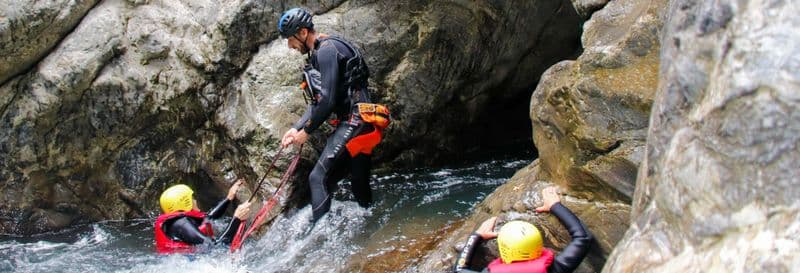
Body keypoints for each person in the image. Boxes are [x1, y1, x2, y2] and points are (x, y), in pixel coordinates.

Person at [277, 8, 386, 224]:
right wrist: (296, 128)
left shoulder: (326, 51)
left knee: (318, 178)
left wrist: (306, 132)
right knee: (358, 180)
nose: (290, 46)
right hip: (362, 121)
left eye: (290, 39)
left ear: (303, 32)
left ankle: (318, 238)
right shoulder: (327, 48)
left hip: (355, 121)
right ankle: (371, 224)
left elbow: (326, 101)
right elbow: (321, 99)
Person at [453, 186, 593, 273]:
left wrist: (476, 236)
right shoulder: (557, 268)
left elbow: (460, 269)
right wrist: (555, 206)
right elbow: (583, 237)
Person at [154, 180, 252, 254]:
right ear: (185, 203)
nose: (195, 201)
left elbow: (208, 218)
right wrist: (236, 219)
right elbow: (218, 247)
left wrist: (229, 198)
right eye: (192, 198)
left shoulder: (178, 222)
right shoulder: (182, 224)